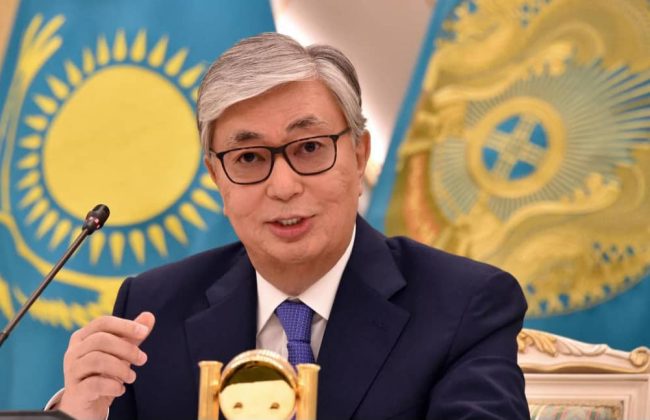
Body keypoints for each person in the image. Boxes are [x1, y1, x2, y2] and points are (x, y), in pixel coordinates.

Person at [54, 32, 529, 419]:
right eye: (248, 157)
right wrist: (78, 414)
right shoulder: (152, 311)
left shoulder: (464, 305)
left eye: (310, 148)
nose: (283, 186)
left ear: (358, 156)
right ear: (217, 177)